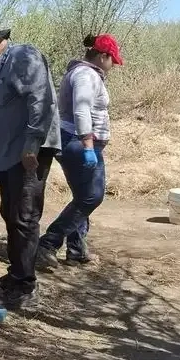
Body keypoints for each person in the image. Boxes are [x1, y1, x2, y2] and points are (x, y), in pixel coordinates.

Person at [0, 23, 60, 311]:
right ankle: (16, 274)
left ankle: (26, 288)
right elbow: (9, 111)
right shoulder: (3, 68)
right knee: (11, 212)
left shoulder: (23, 56)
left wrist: (32, 142)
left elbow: (40, 99)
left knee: (24, 215)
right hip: (10, 152)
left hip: (28, 152)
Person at [37, 33, 122, 267]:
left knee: (83, 196)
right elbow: (82, 110)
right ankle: (47, 244)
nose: (113, 65)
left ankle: (76, 248)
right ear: (102, 56)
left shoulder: (86, 74)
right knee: (90, 197)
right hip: (77, 140)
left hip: (76, 139)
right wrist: (87, 144)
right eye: (112, 60)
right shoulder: (86, 75)